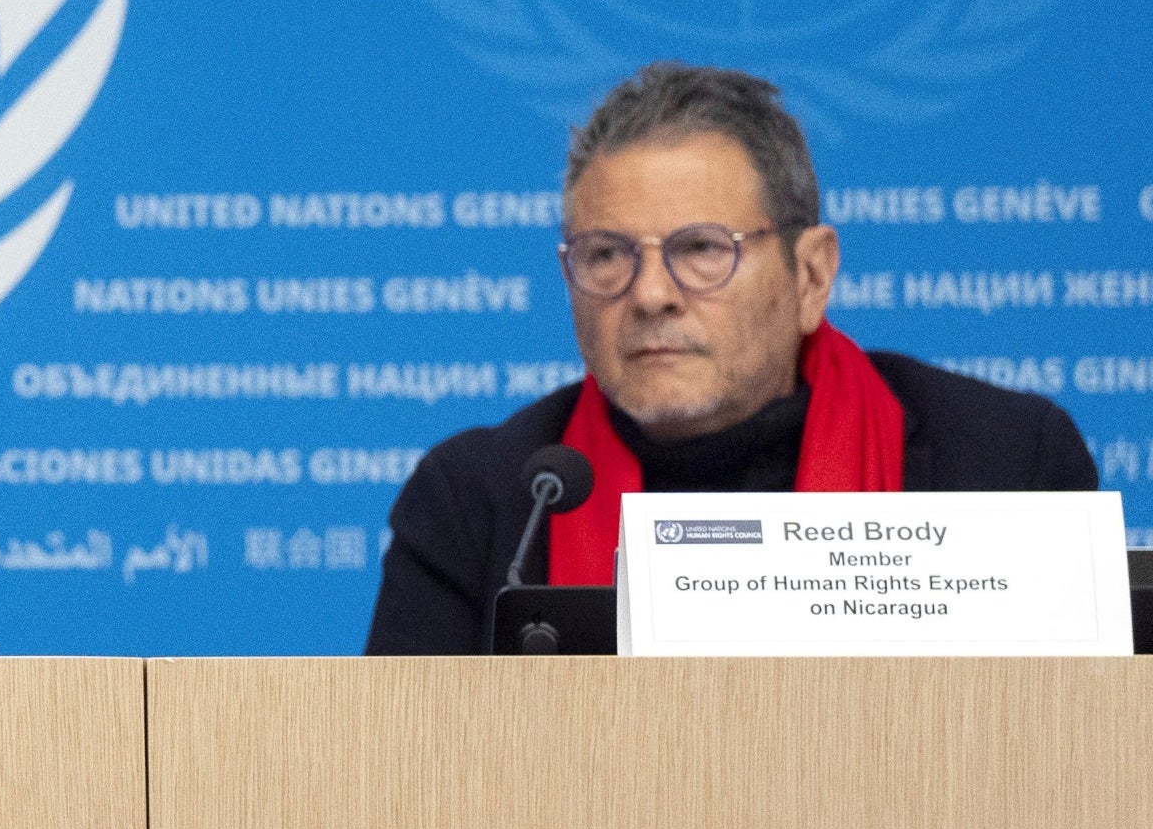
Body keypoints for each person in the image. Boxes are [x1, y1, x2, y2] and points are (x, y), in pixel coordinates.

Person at [366, 61, 1094, 654]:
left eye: (702, 248)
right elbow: (407, 796)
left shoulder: (1005, 468)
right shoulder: (480, 503)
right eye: (607, 255)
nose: (650, 293)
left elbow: (1082, 772)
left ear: (810, 275)